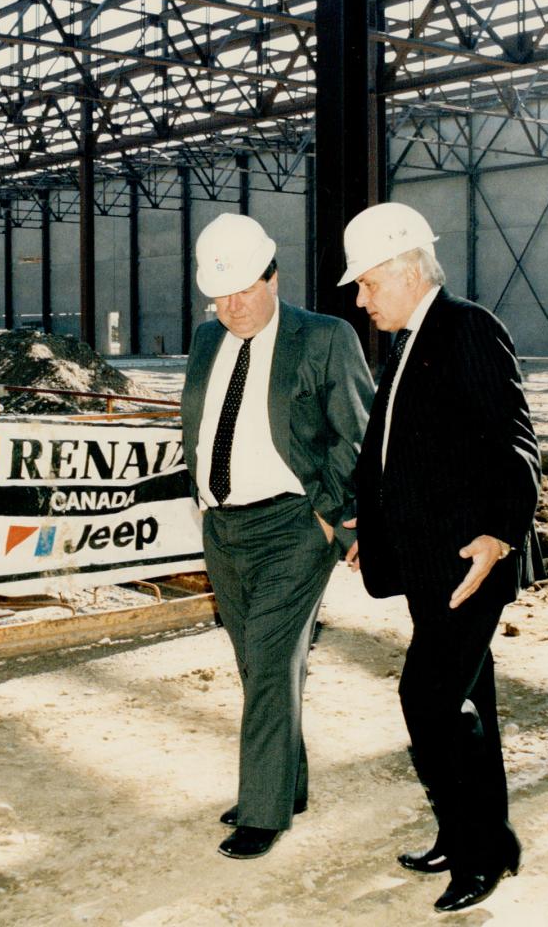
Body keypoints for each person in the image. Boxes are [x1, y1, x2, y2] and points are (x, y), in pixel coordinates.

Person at [339, 201, 541, 913]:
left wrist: (499, 534)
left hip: (469, 562)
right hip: (427, 562)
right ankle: (485, 839)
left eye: (366, 284)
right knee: (465, 703)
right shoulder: (408, 339)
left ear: (402, 270)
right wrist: (373, 522)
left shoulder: (468, 329)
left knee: (426, 702)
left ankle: (477, 854)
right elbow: (392, 449)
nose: (360, 300)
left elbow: (515, 443)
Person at [181, 212, 374, 860]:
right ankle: (285, 783)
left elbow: (357, 433)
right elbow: (203, 425)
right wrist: (204, 501)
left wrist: (347, 519)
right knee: (256, 663)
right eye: (218, 294)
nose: (230, 307)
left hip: (296, 524)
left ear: (273, 276)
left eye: (242, 291)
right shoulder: (208, 340)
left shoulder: (324, 338)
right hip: (223, 524)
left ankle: (264, 812)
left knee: (267, 657)